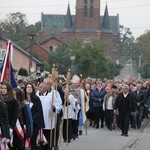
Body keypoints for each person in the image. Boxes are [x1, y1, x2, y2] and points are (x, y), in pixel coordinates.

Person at [36, 81, 62, 150]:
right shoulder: (36, 94)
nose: (39, 88)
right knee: (39, 140)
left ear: (45, 88)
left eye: (41, 87)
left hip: (48, 120)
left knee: (47, 140)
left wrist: (54, 108)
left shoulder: (52, 95)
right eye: (39, 87)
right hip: (38, 121)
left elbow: (59, 105)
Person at [24, 83, 45, 150]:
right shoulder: (22, 99)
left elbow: (39, 111)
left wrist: (31, 119)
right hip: (25, 124)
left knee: (33, 141)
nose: (29, 88)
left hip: (34, 124)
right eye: (28, 87)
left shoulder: (36, 99)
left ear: (33, 89)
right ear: (25, 89)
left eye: (31, 87)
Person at [1, 81, 19, 149]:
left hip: (8, 127)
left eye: (5, 88)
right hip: (1, 127)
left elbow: (14, 116)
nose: (3, 90)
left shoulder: (13, 102)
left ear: (8, 90)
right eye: (2, 88)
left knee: (8, 146)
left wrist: (11, 128)